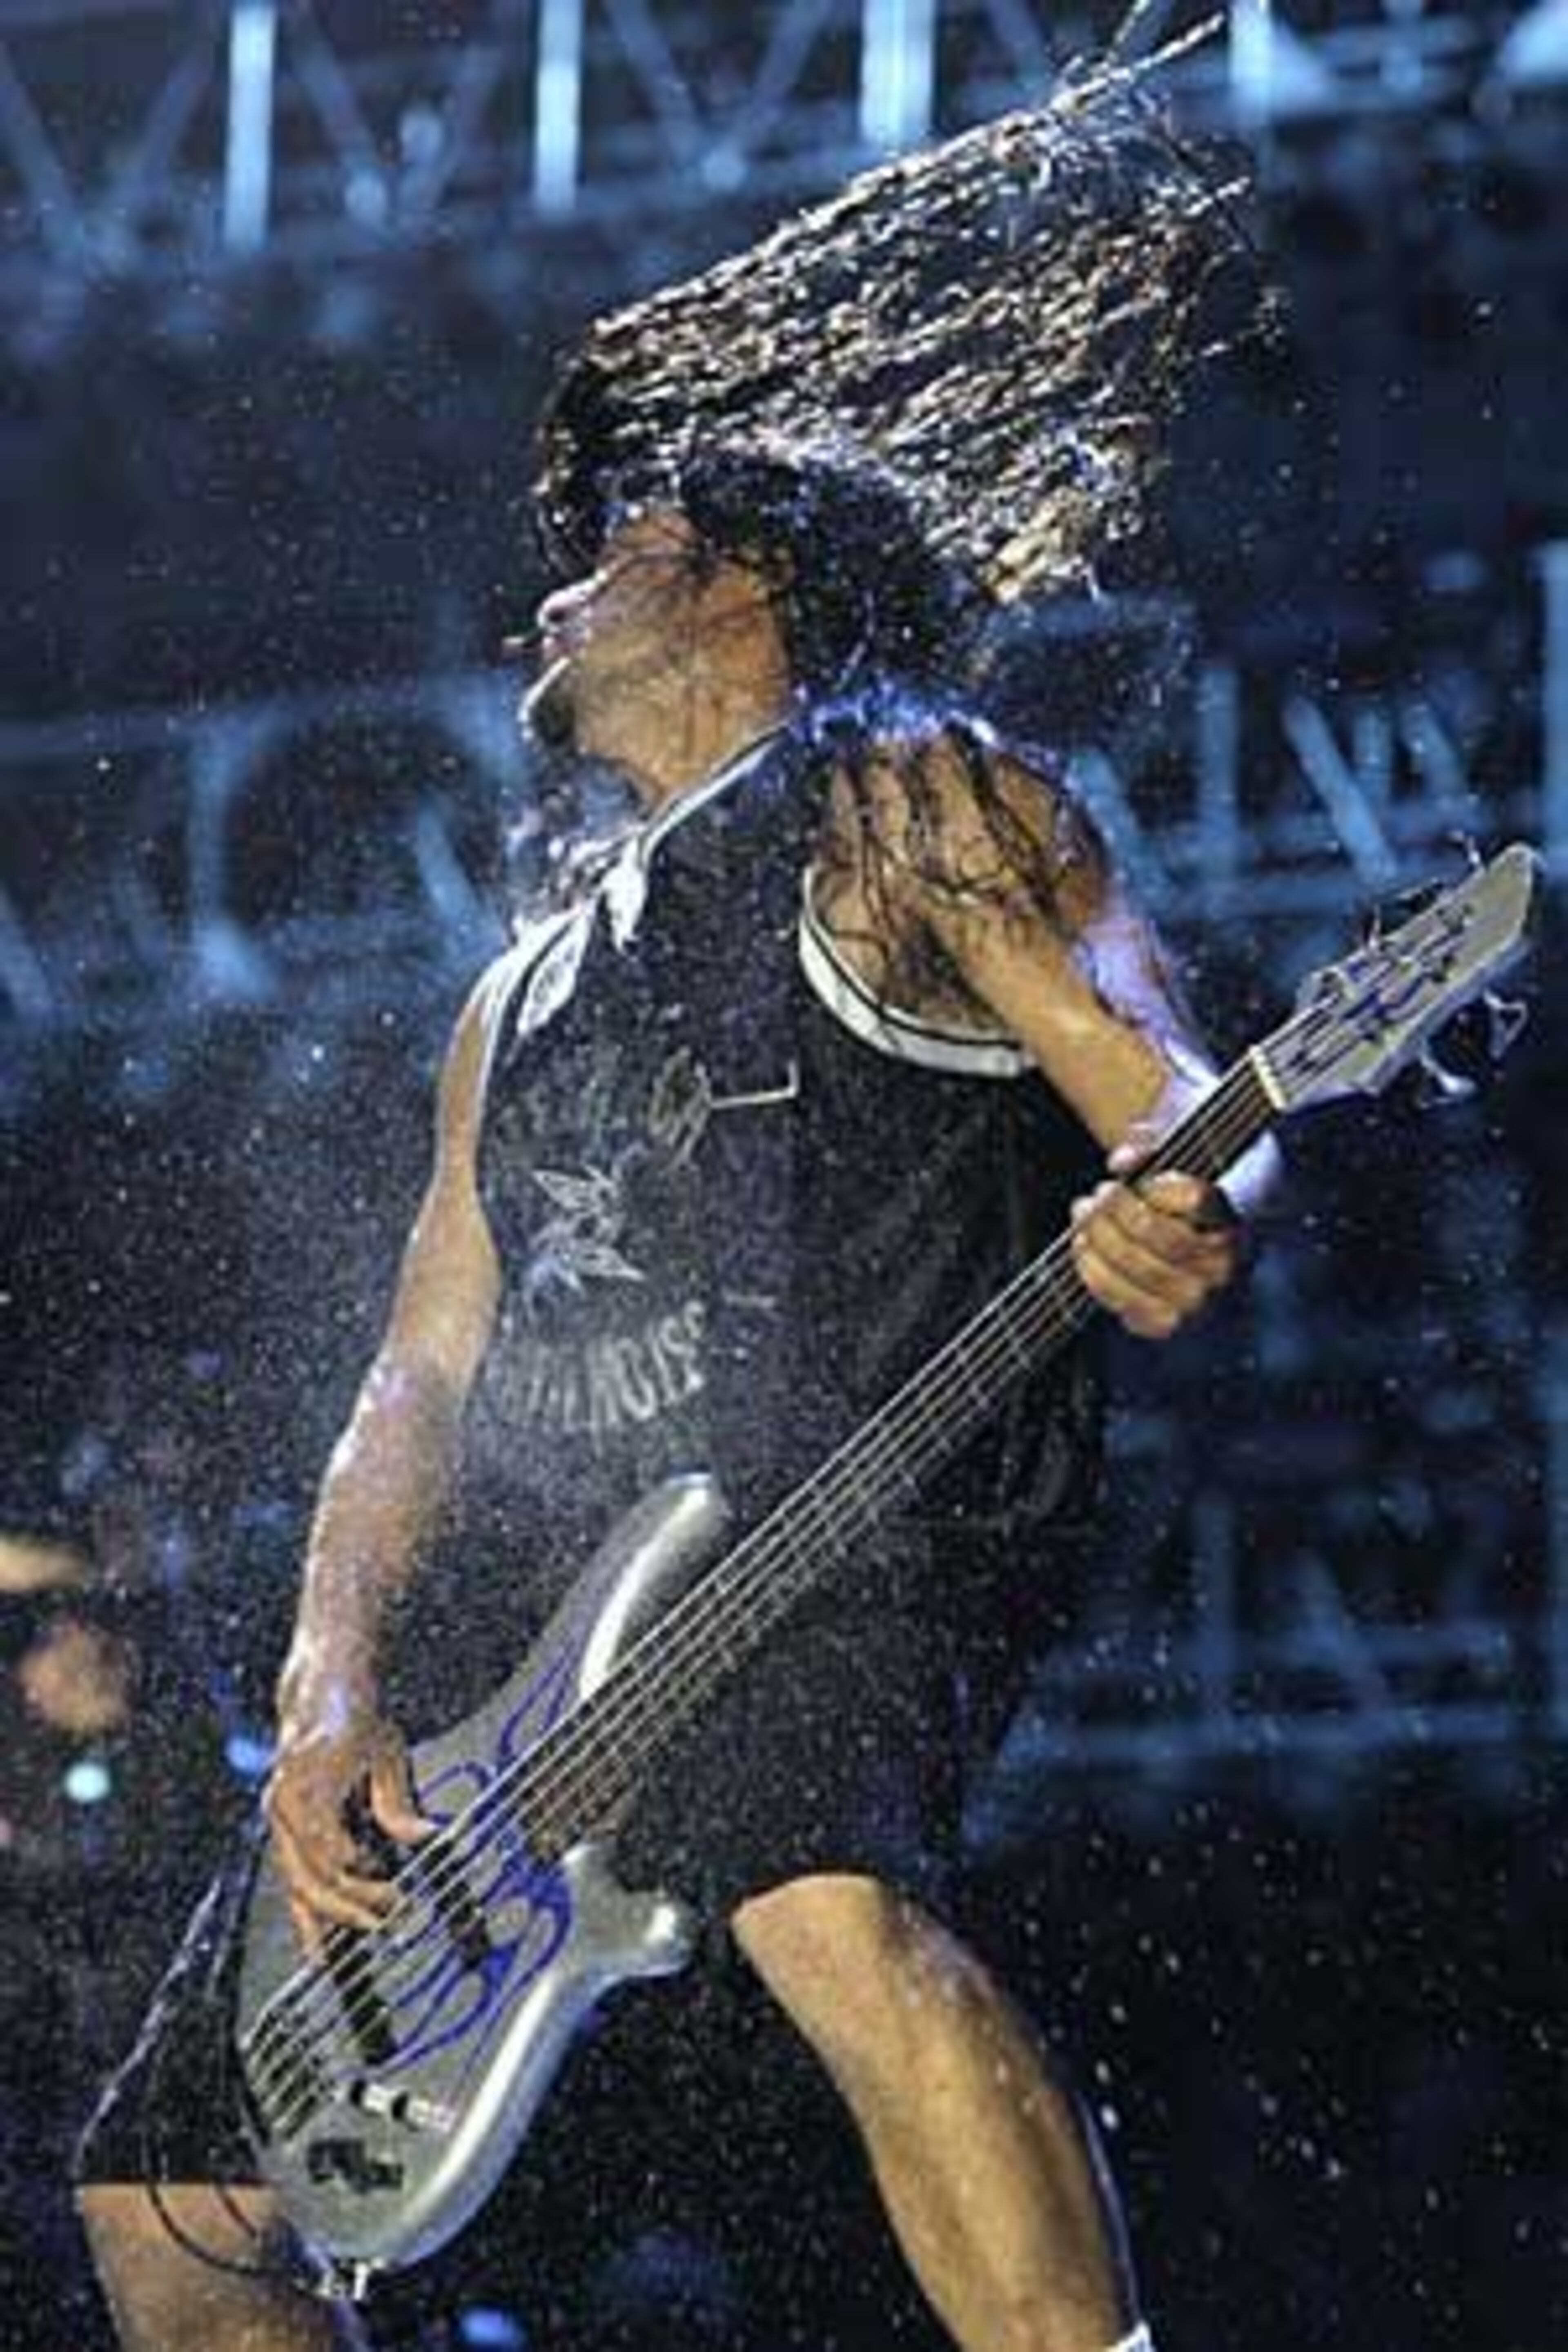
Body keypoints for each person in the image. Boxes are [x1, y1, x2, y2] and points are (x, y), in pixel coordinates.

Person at [76, 66, 1278, 2352]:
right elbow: (417, 1370)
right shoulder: (513, 997)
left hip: (851, 1525)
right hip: (539, 1609)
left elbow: (1184, 1102)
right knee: (171, 2195)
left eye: (608, 546)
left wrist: (1187, 1212)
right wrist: (334, 1687)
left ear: (738, 584)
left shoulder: (915, 800)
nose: (551, 588)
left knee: (823, 1905)